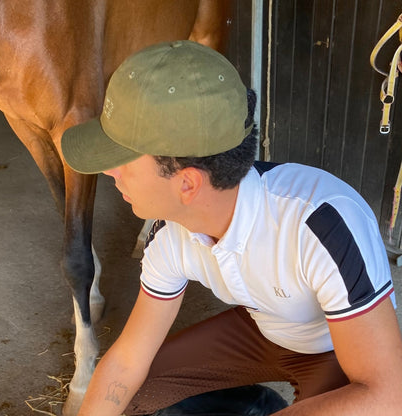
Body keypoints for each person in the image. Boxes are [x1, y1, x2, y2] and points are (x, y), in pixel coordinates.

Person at [61, 40, 402, 416]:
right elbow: (127, 361)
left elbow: (388, 395)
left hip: (335, 345)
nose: (109, 172)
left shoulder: (322, 224)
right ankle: (254, 406)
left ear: (187, 184)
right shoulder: (170, 234)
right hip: (262, 327)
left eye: (122, 159)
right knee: (135, 395)